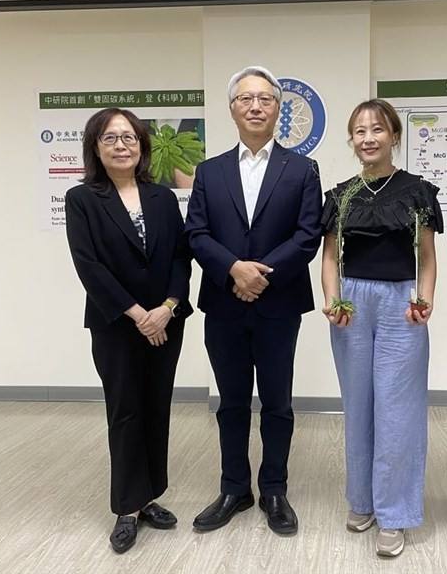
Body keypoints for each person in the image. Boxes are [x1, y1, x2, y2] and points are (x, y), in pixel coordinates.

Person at [185, 66, 322, 536]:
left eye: (265, 99)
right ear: (233, 109)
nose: (256, 106)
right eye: (246, 99)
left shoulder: (302, 169)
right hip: (224, 304)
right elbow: (197, 233)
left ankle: (274, 489)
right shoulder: (210, 171)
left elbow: (308, 235)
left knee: (278, 402)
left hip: (278, 304)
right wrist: (233, 270)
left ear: (278, 109)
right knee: (231, 403)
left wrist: (260, 273)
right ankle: (234, 488)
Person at [65, 107, 193, 554]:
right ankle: (126, 507)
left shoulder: (161, 198)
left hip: (166, 322)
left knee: (156, 408)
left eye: (129, 137)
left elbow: (180, 256)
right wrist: (140, 315)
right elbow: (89, 265)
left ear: (141, 146)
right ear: (95, 147)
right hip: (117, 325)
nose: (121, 145)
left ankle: (150, 495)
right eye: (110, 138)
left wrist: (168, 308)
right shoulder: (82, 199)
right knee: (125, 412)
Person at [321, 99, 442, 558]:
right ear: (351, 140)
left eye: (377, 129)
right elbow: (329, 257)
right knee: (358, 405)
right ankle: (363, 500)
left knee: (398, 410)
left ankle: (395, 515)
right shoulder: (340, 195)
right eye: (360, 131)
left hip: (400, 303)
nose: (368, 138)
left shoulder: (417, 192)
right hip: (352, 303)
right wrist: (332, 300)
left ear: (394, 136)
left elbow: (426, 257)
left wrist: (424, 299)